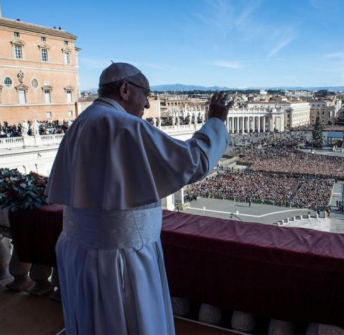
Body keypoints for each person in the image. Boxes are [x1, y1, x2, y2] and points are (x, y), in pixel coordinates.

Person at [45, 62, 233, 334]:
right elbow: (193, 163)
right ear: (124, 89)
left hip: (79, 252)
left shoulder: (81, 122)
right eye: (145, 94)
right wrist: (215, 123)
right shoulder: (125, 125)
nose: (146, 105)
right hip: (122, 258)